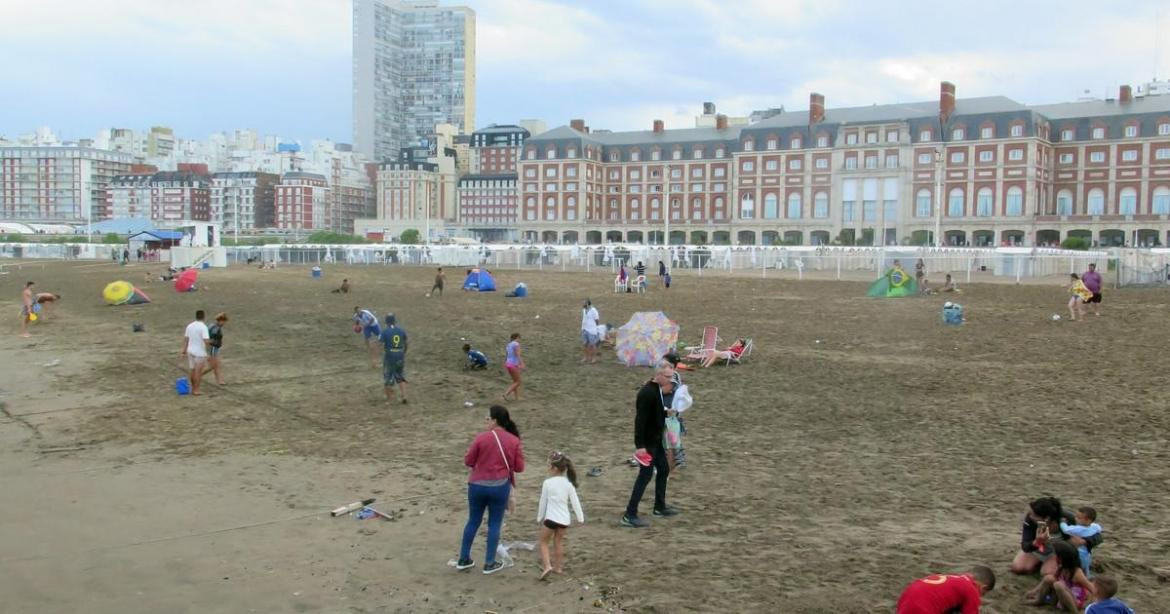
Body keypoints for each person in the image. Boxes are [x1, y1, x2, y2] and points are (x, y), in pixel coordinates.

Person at [456, 404, 524, 575]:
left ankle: (464, 558)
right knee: (494, 523)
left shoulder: (481, 438)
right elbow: (519, 467)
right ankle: (489, 562)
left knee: (473, 521)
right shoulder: (514, 440)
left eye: (487, 418)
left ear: (495, 420)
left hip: (477, 485)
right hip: (500, 486)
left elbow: (468, 461)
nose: (486, 421)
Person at [621, 360, 679, 528]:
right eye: (668, 377)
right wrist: (640, 446)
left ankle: (659, 507)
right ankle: (629, 514)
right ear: (658, 375)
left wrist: (665, 412)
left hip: (656, 440)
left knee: (663, 469)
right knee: (645, 476)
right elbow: (640, 421)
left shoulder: (656, 390)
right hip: (647, 443)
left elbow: (654, 412)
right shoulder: (647, 393)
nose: (670, 381)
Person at [536, 451, 584, 580]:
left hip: (551, 518)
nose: (548, 468)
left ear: (554, 468)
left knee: (543, 542)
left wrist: (539, 517)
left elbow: (543, 501)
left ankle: (547, 566)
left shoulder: (548, 483)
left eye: (549, 466)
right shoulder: (568, 484)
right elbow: (575, 502)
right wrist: (580, 518)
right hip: (564, 520)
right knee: (558, 542)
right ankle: (558, 568)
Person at [1024, 540, 1095, 611]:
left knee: (1058, 585)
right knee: (1049, 578)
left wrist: (1090, 604)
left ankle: (1074, 612)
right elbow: (1050, 579)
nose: (1054, 557)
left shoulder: (1076, 573)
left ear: (1063, 558)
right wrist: (1034, 591)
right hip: (1060, 597)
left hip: (1074, 601)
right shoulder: (1062, 568)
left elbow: (1092, 588)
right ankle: (1039, 600)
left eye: (1056, 555)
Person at [896, 566, 996, 614]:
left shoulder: (953, 579)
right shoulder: (972, 589)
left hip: (904, 604)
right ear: (983, 587)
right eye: (982, 594)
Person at [1060, 506, 1102, 577]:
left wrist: (1062, 522)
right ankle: (1087, 575)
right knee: (1086, 567)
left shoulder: (1079, 529)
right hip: (1087, 553)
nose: (1076, 519)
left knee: (1077, 567)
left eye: (1079, 518)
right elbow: (1099, 529)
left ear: (1088, 520)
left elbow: (1066, 530)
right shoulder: (1094, 526)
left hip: (1079, 553)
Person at [379, 313, 408, 404]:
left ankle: (389, 400)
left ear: (386, 322)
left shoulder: (385, 331)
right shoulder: (401, 331)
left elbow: (380, 343)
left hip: (390, 355)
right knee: (400, 376)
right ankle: (404, 396)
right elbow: (406, 343)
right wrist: (403, 352)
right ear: (395, 321)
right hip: (400, 354)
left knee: (388, 377)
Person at [180, 310, 211, 396]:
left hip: (190, 350)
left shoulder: (190, 326)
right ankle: (196, 390)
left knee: (192, 370)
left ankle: (193, 388)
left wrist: (184, 350)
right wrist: (209, 352)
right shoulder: (203, 327)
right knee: (198, 372)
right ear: (204, 316)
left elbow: (186, 339)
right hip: (200, 352)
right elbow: (206, 341)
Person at [203, 313, 228, 386]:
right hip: (213, 348)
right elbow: (210, 339)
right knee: (213, 366)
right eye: (224, 321)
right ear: (221, 321)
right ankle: (197, 376)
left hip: (213, 348)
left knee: (216, 365)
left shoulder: (211, 325)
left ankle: (219, 380)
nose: (224, 323)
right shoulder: (216, 329)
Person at [503, 333, 525, 401]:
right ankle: (506, 394)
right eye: (519, 338)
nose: (520, 340)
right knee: (518, 382)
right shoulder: (516, 344)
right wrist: (522, 363)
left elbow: (507, 355)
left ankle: (516, 398)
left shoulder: (508, 345)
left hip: (508, 364)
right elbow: (517, 354)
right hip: (513, 364)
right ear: (517, 337)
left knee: (515, 381)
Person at [580, 299, 600, 364]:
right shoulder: (584, 310)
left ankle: (594, 358)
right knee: (585, 344)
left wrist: (595, 327)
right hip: (584, 329)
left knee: (593, 344)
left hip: (591, 330)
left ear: (588, 304)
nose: (583, 304)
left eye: (584, 303)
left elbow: (597, 320)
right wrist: (582, 329)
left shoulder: (593, 310)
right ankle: (586, 357)